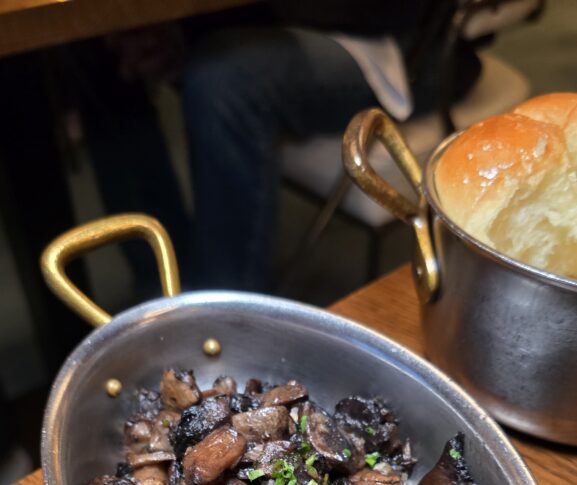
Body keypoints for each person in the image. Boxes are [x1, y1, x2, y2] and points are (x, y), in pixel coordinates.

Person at [180, 1, 481, 291]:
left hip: (401, 41)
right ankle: (165, 269)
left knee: (222, 83)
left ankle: (226, 305)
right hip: (289, 23)